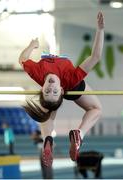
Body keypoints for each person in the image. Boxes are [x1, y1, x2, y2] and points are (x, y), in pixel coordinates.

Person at [19, 11, 104, 167]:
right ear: (62, 90)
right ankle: (80, 134)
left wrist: (32, 45)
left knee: (49, 110)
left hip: (68, 85)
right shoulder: (71, 77)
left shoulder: (37, 73)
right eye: (54, 91)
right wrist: (100, 30)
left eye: (47, 90)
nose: (51, 87)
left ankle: (47, 139)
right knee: (96, 108)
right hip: (73, 85)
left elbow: (22, 59)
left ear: (42, 87)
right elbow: (95, 57)